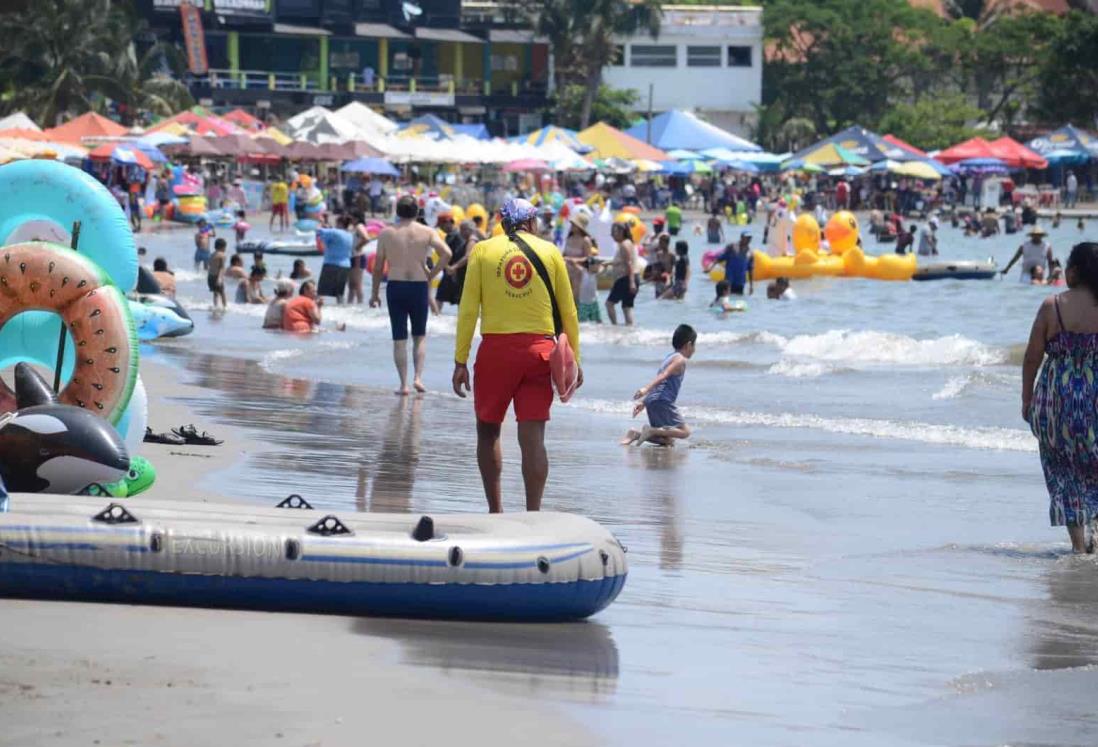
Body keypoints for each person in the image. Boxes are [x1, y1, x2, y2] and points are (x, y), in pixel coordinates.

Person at [452, 197, 582, 513]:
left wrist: (460, 360)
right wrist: (574, 359)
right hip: (540, 352)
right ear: (532, 222)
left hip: (496, 353)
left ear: (502, 222)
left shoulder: (482, 250)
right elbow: (569, 312)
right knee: (533, 435)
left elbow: (468, 309)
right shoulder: (550, 251)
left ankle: (496, 512)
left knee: (488, 430)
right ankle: (533, 514)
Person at [1023, 242, 1098, 553]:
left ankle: (1078, 546)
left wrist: (1026, 400)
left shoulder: (1052, 306)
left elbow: (1031, 358)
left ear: (1073, 272)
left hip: (1056, 404)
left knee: (1062, 470)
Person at [372, 194, 452, 395]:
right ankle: (418, 377)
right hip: (418, 286)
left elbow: (378, 266)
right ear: (417, 212)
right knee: (419, 336)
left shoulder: (386, 233)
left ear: (397, 212)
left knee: (399, 338)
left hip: (396, 286)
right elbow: (447, 254)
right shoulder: (427, 232)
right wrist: (431, 274)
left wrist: (374, 293)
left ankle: (403, 385)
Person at [621, 324, 696, 447]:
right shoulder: (680, 360)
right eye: (694, 346)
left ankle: (635, 434)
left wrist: (645, 402)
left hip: (654, 401)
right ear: (688, 345)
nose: (694, 350)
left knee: (667, 440)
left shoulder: (669, 357)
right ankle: (651, 430)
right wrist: (645, 389)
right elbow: (663, 376)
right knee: (685, 432)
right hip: (663, 401)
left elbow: (661, 382)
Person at [316, 215, 355, 303]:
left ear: (340, 223)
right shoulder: (349, 235)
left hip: (331, 264)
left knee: (320, 293)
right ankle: (341, 311)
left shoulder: (334, 232)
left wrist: (320, 222)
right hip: (345, 266)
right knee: (339, 294)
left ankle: (317, 311)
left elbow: (318, 231)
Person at [605, 222, 638, 325]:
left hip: (626, 278)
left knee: (609, 304)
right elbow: (623, 261)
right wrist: (609, 263)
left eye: (614, 232)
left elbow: (629, 263)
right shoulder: (628, 243)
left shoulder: (624, 244)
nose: (612, 235)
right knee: (627, 307)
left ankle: (615, 326)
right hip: (631, 277)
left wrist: (631, 282)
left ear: (621, 232)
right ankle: (630, 328)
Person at [438, 219, 475, 308]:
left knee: (462, 303)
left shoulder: (472, 241)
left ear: (469, 230)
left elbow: (467, 257)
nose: (460, 231)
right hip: (461, 276)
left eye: (462, 229)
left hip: (466, 276)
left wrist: (454, 267)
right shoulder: (467, 240)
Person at [562, 212, 594, 306]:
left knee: (575, 297)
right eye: (572, 224)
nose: (572, 226)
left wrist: (575, 260)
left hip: (578, 271)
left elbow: (589, 258)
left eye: (574, 224)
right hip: (566, 269)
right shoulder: (569, 238)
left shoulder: (585, 240)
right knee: (564, 295)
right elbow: (564, 254)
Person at [207, 238, 228, 309]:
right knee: (222, 292)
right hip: (217, 276)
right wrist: (219, 278)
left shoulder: (212, 255)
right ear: (222, 247)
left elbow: (209, 265)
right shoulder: (222, 255)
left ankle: (215, 306)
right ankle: (225, 307)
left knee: (215, 293)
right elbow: (222, 268)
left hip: (210, 276)